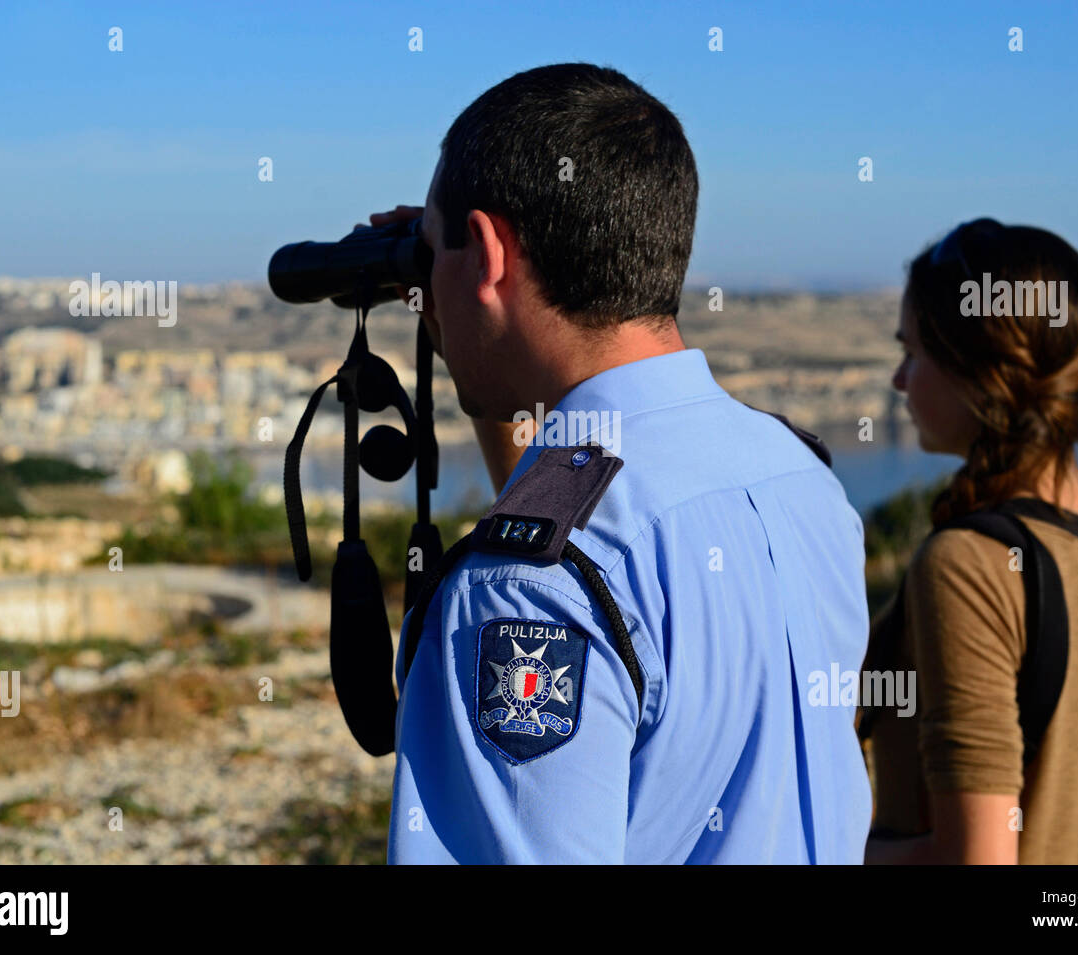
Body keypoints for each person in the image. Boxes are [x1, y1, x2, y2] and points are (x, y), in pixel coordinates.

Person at [369, 63, 871, 863]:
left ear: (489, 253)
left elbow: (573, 558)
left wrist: (457, 300)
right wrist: (460, 306)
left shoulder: (528, 587)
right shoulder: (798, 477)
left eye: (436, 253)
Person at [864, 218, 1078, 864]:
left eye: (913, 352)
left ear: (978, 375)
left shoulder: (970, 565)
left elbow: (976, 858)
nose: (898, 379)